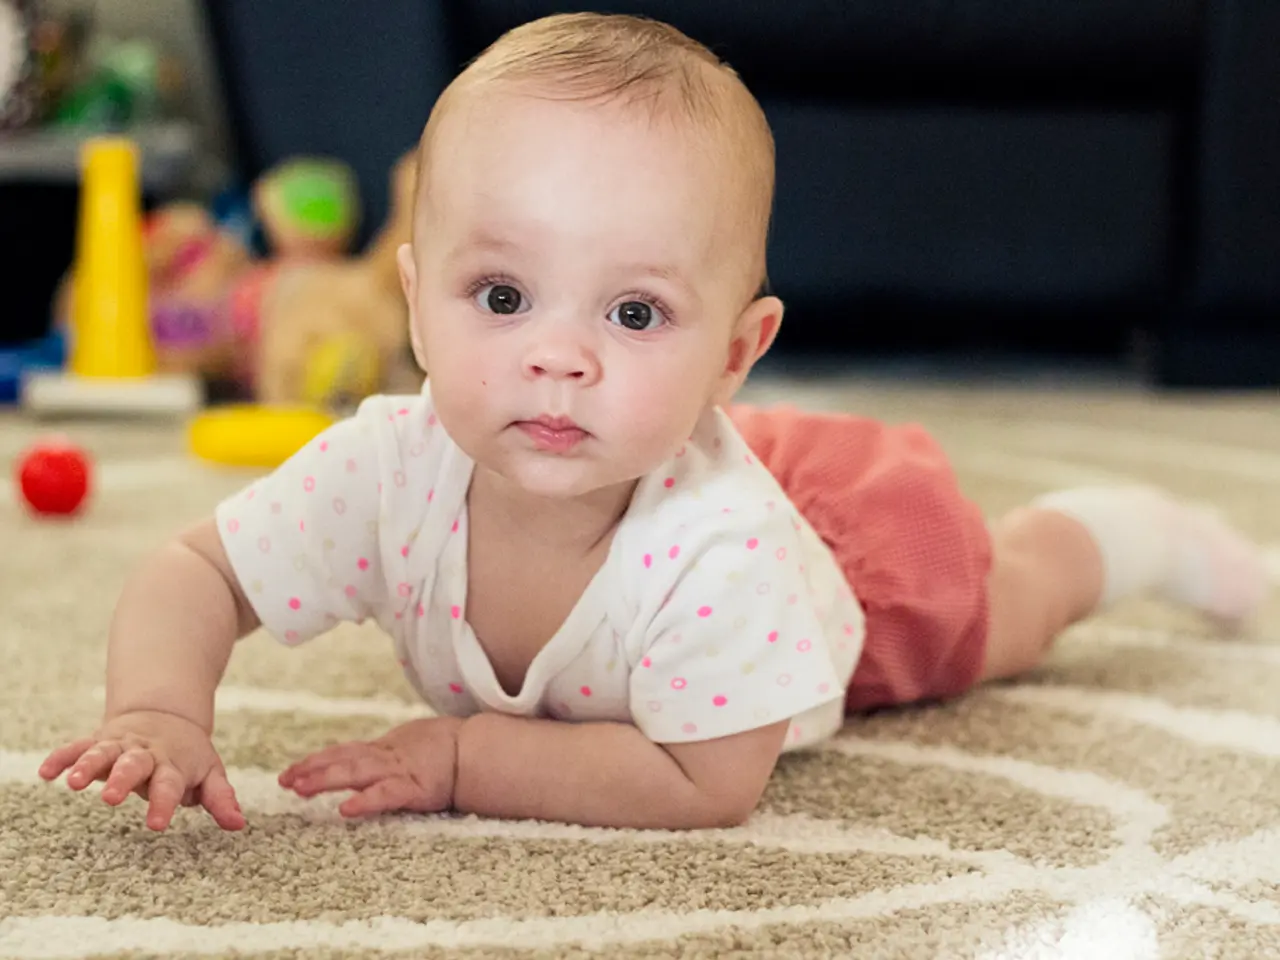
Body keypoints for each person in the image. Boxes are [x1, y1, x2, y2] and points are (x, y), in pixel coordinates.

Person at [39, 13, 1268, 833]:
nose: (558, 357)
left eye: (633, 312)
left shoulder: (727, 553)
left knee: (1013, 594)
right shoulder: (382, 465)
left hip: (844, 565)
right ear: (413, 300)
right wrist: (159, 706)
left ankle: (1159, 542)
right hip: (680, 466)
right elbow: (198, 569)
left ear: (734, 353)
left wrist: (468, 760)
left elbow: (703, 779)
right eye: (503, 296)